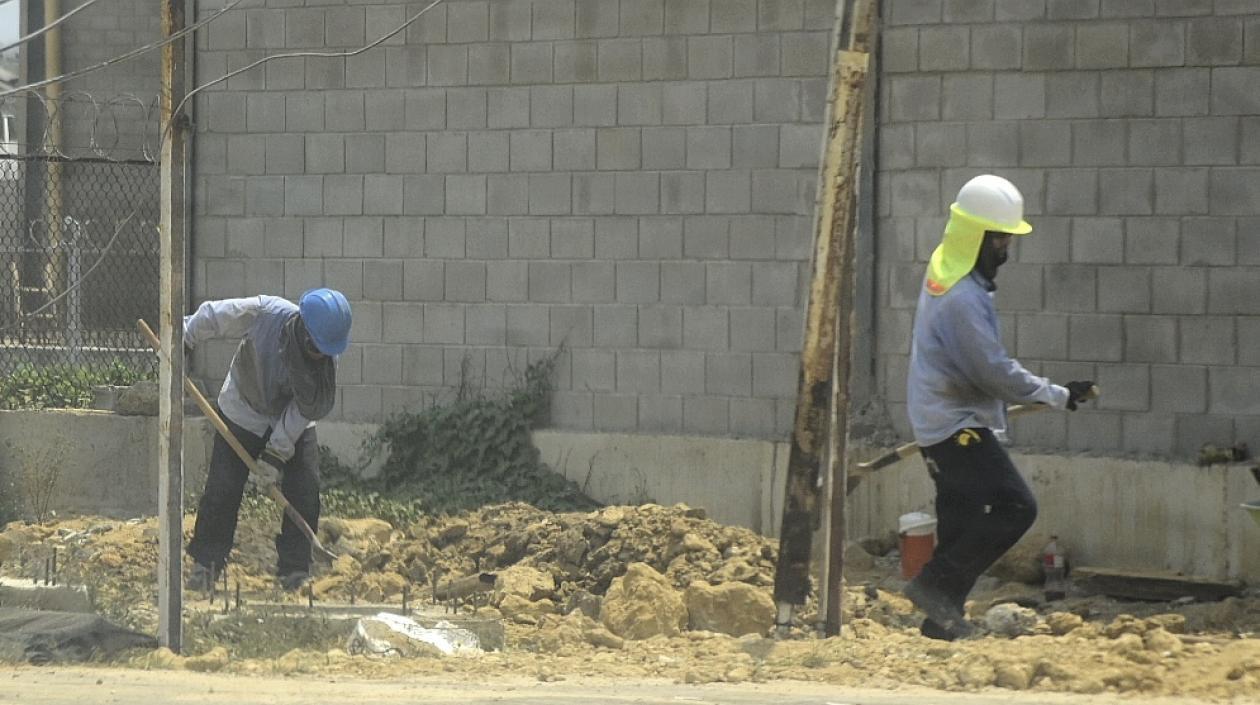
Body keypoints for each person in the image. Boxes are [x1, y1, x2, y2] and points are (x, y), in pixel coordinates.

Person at [902, 174, 1093, 640]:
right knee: (1016, 506)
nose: (1007, 249)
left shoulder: (947, 265)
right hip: (955, 425)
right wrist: (1056, 394)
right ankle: (933, 585)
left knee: (962, 520)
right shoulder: (962, 299)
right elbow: (993, 371)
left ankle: (941, 620)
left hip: (938, 416)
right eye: (1001, 239)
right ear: (976, 237)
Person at [182, 288, 352, 592]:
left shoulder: (327, 356)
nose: (320, 355)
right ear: (304, 330)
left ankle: (295, 570)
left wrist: (276, 453)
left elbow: (303, 409)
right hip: (243, 408)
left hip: (291, 420)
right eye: (316, 348)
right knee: (223, 488)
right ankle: (206, 564)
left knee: (305, 489)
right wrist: (182, 338)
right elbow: (215, 315)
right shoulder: (267, 314)